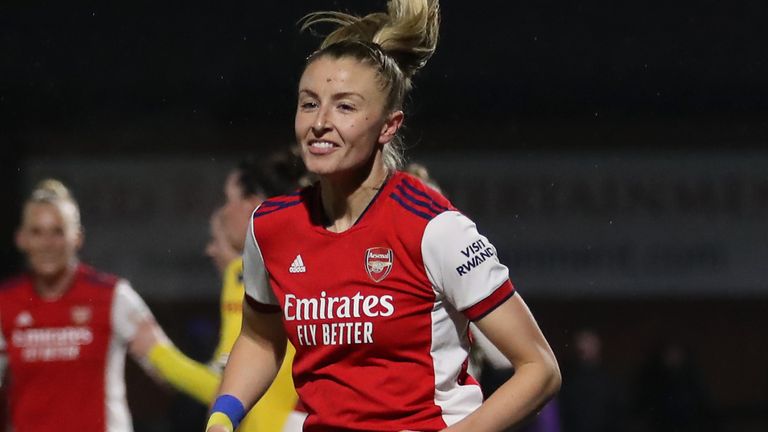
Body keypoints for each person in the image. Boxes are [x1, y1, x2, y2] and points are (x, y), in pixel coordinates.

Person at [206, 1, 561, 431]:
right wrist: (223, 417)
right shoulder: (271, 227)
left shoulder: (435, 229)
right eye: (309, 103)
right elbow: (260, 338)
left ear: (389, 126)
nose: (320, 122)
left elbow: (539, 369)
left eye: (345, 107)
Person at [0, 179, 218, 432]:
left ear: (78, 237)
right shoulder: (5, 303)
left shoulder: (113, 296)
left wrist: (233, 394)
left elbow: (168, 368)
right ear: (21, 239)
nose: (47, 243)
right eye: (37, 232)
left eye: (58, 232)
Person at [202, 153, 306, 432]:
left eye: (228, 200)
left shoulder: (245, 271)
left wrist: (156, 353)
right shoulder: (308, 254)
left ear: (251, 205)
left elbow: (226, 381)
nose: (224, 212)